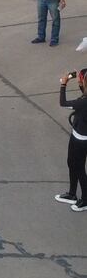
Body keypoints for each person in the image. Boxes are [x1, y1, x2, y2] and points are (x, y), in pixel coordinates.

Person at [55, 69, 87, 212]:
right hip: (76, 135)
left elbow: (63, 103)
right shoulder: (84, 99)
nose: (80, 81)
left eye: (82, 80)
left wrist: (63, 84)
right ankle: (72, 194)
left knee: (79, 168)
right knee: (71, 163)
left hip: (82, 140)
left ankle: (85, 200)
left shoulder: (83, 103)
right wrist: (79, 81)